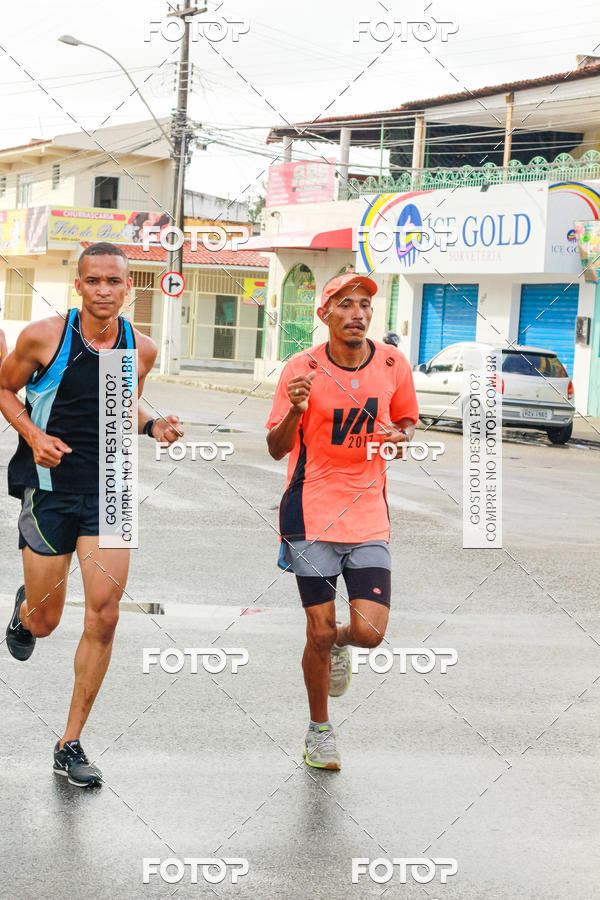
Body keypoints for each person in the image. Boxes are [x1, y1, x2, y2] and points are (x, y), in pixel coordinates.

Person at [0, 242, 182, 788]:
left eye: (114, 281)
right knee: (46, 622)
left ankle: (70, 742)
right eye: (94, 280)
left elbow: (124, 403)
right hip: (50, 488)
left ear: (129, 288)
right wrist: (32, 435)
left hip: (110, 492)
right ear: (77, 286)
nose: (105, 289)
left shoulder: (141, 348)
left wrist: (154, 427)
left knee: (104, 614)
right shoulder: (44, 337)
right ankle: (25, 608)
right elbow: (5, 388)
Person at [266, 272, 419, 770]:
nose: (357, 313)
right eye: (345, 304)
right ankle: (319, 730)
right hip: (310, 512)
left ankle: (340, 645)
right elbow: (275, 448)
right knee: (317, 630)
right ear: (325, 315)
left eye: (364, 305)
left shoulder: (393, 364)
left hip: (369, 512)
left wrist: (400, 437)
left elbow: (404, 423)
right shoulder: (301, 367)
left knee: (371, 632)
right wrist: (296, 409)